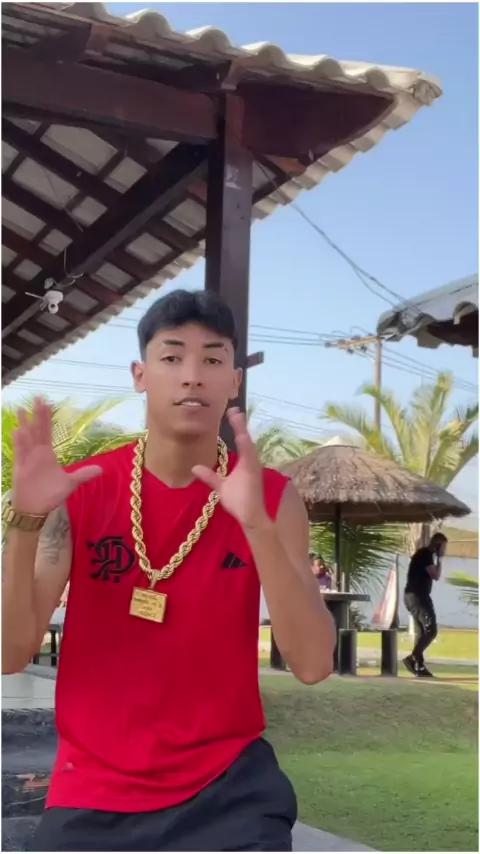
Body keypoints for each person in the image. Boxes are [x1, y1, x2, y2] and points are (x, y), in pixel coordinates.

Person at [2, 289, 336, 852]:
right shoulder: (83, 489)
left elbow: (312, 664)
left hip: (228, 788)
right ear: (141, 375)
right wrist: (25, 522)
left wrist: (256, 527)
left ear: (233, 380)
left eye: (212, 359)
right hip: (94, 789)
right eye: (172, 356)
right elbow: (10, 653)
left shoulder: (272, 498)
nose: (192, 376)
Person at [403, 532, 447, 678]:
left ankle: (419, 665)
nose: (445, 550)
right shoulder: (425, 554)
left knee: (422, 632)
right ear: (438, 545)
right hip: (418, 596)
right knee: (431, 630)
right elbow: (436, 575)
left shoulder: (424, 554)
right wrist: (440, 559)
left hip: (413, 596)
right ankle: (413, 658)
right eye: (444, 547)